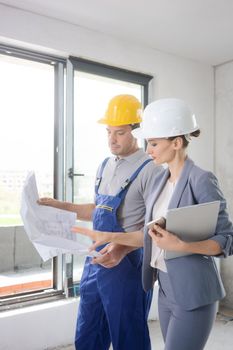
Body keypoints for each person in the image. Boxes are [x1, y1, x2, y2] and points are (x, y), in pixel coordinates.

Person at [73, 98, 233, 350]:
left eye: (154, 143)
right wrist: (116, 242)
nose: (148, 150)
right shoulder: (161, 182)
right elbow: (150, 235)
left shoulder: (201, 179)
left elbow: (226, 239)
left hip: (193, 290)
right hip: (165, 287)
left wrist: (180, 244)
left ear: (177, 143)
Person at [38, 94, 163, 350]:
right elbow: (98, 210)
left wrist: (122, 248)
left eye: (119, 133)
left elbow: (156, 226)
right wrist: (59, 205)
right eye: (108, 132)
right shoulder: (105, 165)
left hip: (128, 264)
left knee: (128, 334)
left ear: (136, 132)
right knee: (88, 328)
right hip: (96, 260)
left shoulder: (151, 169)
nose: (111, 139)